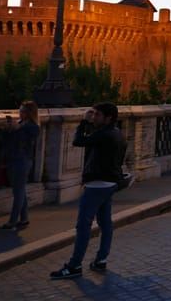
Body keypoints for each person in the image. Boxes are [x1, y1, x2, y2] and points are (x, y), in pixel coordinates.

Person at [50, 102, 127, 280]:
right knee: (105, 222)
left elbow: (78, 141)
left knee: (84, 225)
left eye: (98, 115)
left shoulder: (104, 134)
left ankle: (74, 265)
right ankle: (101, 259)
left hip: (97, 185)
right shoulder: (118, 134)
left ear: (108, 118)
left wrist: (84, 122)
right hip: (110, 184)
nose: (94, 117)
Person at [0, 101, 40, 231]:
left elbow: (31, 134)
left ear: (30, 113)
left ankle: (12, 221)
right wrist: (8, 128)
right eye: (20, 110)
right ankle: (24, 218)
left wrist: (17, 128)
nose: (20, 113)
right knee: (20, 190)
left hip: (22, 161)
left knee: (18, 191)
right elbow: (6, 141)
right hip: (13, 159)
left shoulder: (32, 126)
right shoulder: (20, 124)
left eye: (23, 111)